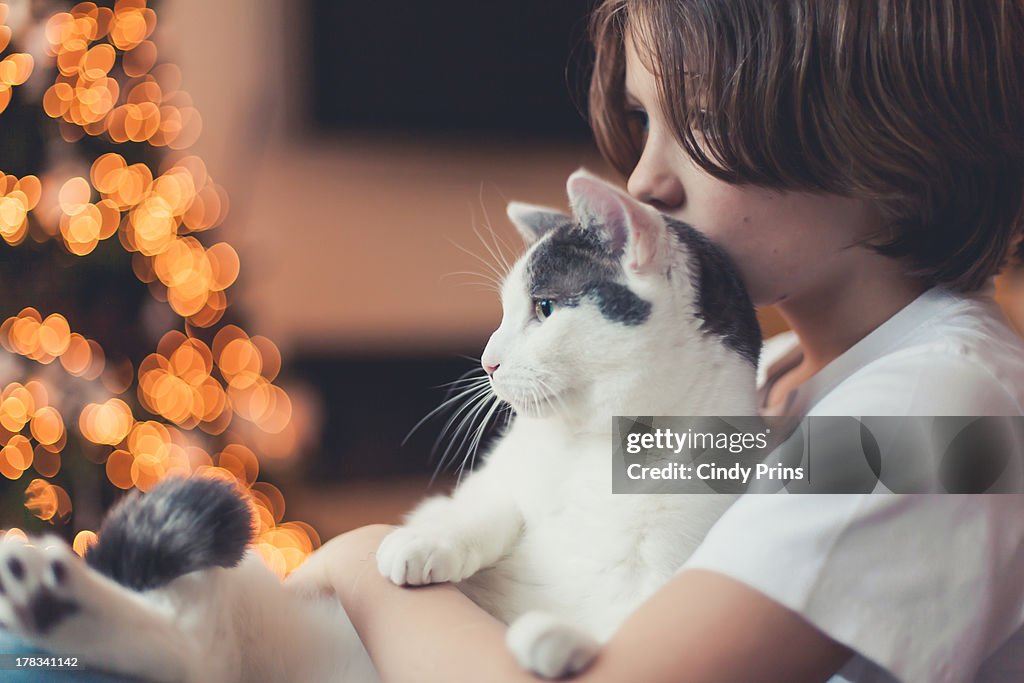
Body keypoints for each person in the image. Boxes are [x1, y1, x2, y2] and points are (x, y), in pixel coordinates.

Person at [298, 1, 1024, 681]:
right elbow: (567, 523)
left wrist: (360, 566)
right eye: (643, 119)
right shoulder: (776, 378)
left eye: (705, 120)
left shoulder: (943, 415)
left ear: (890, 132)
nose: (645, 179)